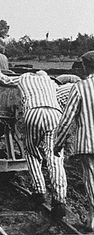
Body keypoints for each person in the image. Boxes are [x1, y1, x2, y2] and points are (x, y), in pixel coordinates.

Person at [0, 71, 68, 217]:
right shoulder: (51, 82)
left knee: (31, 152)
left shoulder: (24, 77)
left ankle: (39, 191)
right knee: (54, 156)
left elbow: (5, 80)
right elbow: (64, 90)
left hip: (34, 112)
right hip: (55, 114)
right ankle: (60, 201)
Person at [54, 51, 94, 231]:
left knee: (91, 181)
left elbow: (67, 119)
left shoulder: (80, 87)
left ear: (85, 67)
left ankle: (93, 221)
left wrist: (58, 142)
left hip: (88, 142)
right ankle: (91, 220)